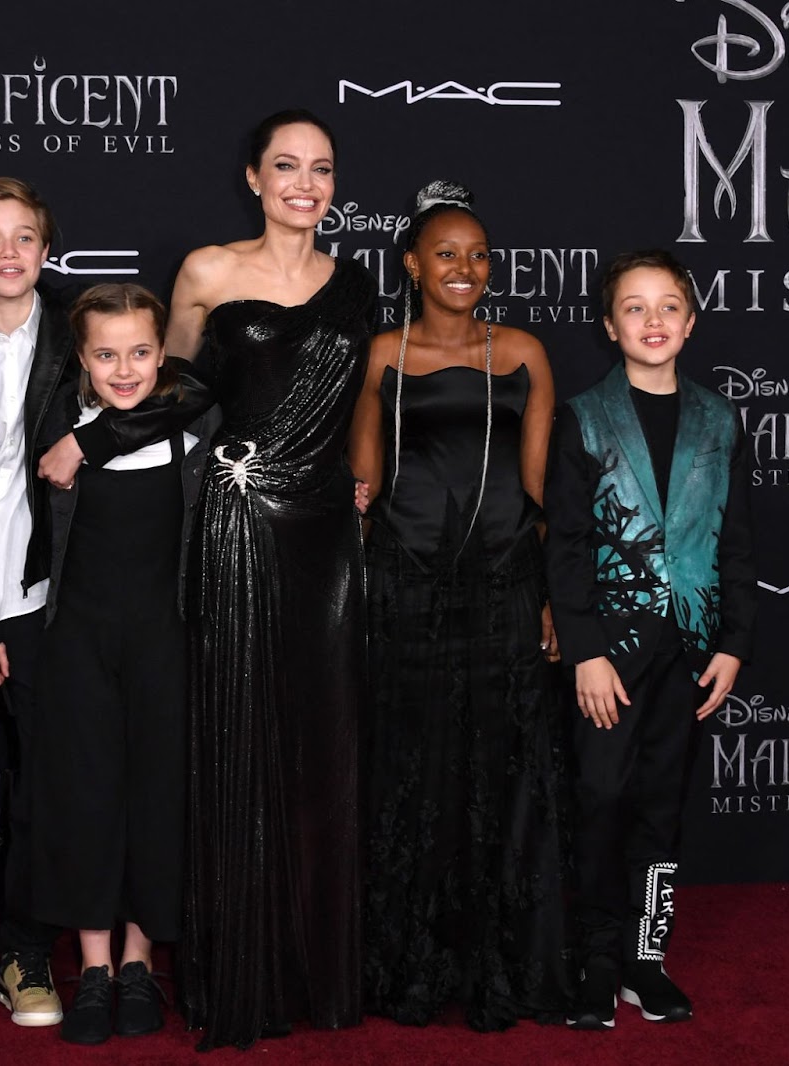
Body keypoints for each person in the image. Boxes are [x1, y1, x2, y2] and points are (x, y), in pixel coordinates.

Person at [0, 178, 205, 1039]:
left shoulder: (81, 335)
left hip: (45, 603)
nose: (6, 253)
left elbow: (179, 391)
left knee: (55, 794)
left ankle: (30, 956)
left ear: (45, 249)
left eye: (23, 236)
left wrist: (91, 437)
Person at [165, 108, 375, 1050]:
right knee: (239, 735)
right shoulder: (209, 270)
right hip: (238, 523)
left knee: (322, 746)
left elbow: (368, 399)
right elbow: (160, 391)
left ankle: (315, 969)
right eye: (285, 166)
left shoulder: (359, 285)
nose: (304, 183)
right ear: (253, 176)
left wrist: (366, 476)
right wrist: (81, 441)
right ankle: (240, 974)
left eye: (321, 169)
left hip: (327, 535)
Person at [347, 180, 573, 1031]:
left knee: (505, 771)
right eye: (446, 252)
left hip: (506, 589)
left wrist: (556, 601)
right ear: (410, 263)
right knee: (412, 771)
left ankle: (501, 966)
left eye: (478, 254)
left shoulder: (526, 352)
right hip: (405, 590)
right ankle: (408, 962)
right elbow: (361, 488)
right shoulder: (378, 354)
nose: (465, 267)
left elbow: (542, 489)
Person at [544, 249, 757, 1029]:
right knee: (601, 795)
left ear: (691, 321)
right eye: (634, 308)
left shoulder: (719, 419)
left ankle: (645, 957)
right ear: (608, 326)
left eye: (668, 306)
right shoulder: (583, 418)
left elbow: (734, 540)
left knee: (663, 803)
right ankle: (597, 958)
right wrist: (586, 650)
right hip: (612, 652)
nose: (653, 321)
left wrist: (734, 642)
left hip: (692, 650)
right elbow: (564, 542)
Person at [31, 284, 217, 1045]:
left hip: (166, 639)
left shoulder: (193, 424)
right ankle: (95, 967)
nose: (124, 368)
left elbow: (207, 392)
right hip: (77, 641)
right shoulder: (56, 425)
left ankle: (141, 962)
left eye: (141, 352)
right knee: (85, 800)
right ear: (80, 357)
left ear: (161, 354)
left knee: (156, 797)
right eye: (105, 354)